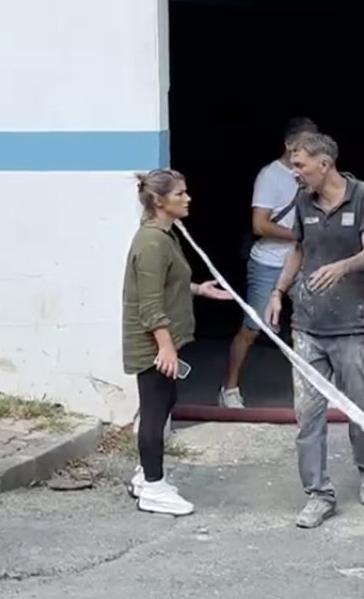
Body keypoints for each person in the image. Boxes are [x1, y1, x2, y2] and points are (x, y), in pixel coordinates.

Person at [263, 132, 364, 529]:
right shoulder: (303, 201)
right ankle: (318, 493)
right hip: (308, 325)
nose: (295, 172)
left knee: (360, 407)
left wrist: (342, 266)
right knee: (308, 414)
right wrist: (279, 292)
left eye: (300, 165)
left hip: (353, 324)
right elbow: (297, 249)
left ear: (324, 164)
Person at [120, 168, 231, 516]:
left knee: (164, 402)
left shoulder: (166, 236)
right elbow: (150, 304)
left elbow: (168, 283)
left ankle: (144, 476)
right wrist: (164, 347)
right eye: (180, 193)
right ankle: (153, 487)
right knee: (154, 412)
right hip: (152, 345)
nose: (188, 198)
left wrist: (198, 289)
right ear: (158, 200)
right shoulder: (152, 241)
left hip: (163, 341)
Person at [218, 117, 317, 408]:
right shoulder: (269, 176)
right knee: (252, 328)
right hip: (268, 263)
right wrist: (297, 234)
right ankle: (229, 389)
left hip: (302, 261)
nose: (311, 150)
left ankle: (315, 390)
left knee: (311, 327)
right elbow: (260, 225)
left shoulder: (312, 174)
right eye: (306, 144)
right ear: (289, 144)